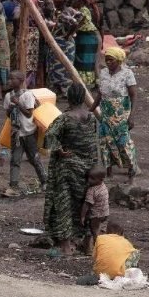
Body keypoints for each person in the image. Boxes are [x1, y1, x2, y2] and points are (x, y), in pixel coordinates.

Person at [43, 84, 99, 254]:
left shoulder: (65, 118)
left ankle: (66, 246)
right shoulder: (92, 118)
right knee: (87, 205)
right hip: (88, 171)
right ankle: (87, 244)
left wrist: (59, 149)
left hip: (67, 170)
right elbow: (93, 144)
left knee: (64, 206)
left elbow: (49, 137)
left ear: (68, 98)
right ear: (83, 98)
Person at [95, 46, 140, 181]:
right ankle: (109, 172)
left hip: (121, 112)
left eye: (111, 60)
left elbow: (133, 96)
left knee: (123, 141)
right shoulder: (103, 73)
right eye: (107, 60)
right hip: (105, 112)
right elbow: (100, 93)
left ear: (119, 61)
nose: (108, 63)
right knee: (105, 142)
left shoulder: (127, 74)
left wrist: (131, 116)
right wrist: (92, 108)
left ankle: (132, 168)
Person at [2, 76, 44, 196]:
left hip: (29, 132)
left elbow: (29, 114)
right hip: (16, 134)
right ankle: (13, 185)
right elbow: (8, 115)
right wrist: (10, 110)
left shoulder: (27, 95)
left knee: (34, 158)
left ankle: (45, 181)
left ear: (20, 81)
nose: (9, 81)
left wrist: (18, 104)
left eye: (12, 79)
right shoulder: (8, 96)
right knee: (15, 159)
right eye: (9, 79)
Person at [71, 0, 101, 85]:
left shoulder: (83, 11)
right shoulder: (81, 10)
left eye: (74, 0)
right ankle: (95, 82)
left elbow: (79, 24)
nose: (73, 2)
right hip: (86, 37)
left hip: (89, 38)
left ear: (80, 1)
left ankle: (89, 82)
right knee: (86, 60)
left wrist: (70, 33)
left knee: (87, 61)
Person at [79, 168, 109, 251]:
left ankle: (97, 249)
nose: (89, 180)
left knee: (94, 232)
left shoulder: (91, 190)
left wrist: (82, 216)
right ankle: (103, 246)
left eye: (92, 178)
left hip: (96, 215)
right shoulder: (103, 185)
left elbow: (87, 204)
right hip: (105, 213)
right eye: (89, 177)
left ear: (101, 179)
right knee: (102, 230)